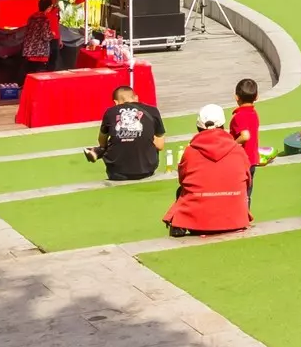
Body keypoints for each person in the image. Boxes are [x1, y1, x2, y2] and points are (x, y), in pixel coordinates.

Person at [165, 104, 252, 237]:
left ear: (198, 127)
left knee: (181, 192)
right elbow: (248, 181)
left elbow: (183, 180)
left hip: (197, 223)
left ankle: (179, 224)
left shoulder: (190, 151)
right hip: (235, 220)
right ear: (223, 126)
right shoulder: (238, 150)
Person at [87, 84, 166, 181]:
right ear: (136, 98)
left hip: (117, 172)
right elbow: (160, 145)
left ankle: (97, 152)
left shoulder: (110, 112)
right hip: (146, 170)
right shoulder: (153, 111)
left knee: (111, 142)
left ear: (116, 102)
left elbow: (102, 142)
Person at [230, 78, 262, 203]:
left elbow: (245, 136)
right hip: (252, 160)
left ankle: (241, 218)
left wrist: (231, 145)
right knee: (248, 192)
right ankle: (246, 217)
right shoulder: (253, 113)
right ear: (257, 97)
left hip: (241, 161)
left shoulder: (239, 116)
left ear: (236, 97)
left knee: (239, 192)